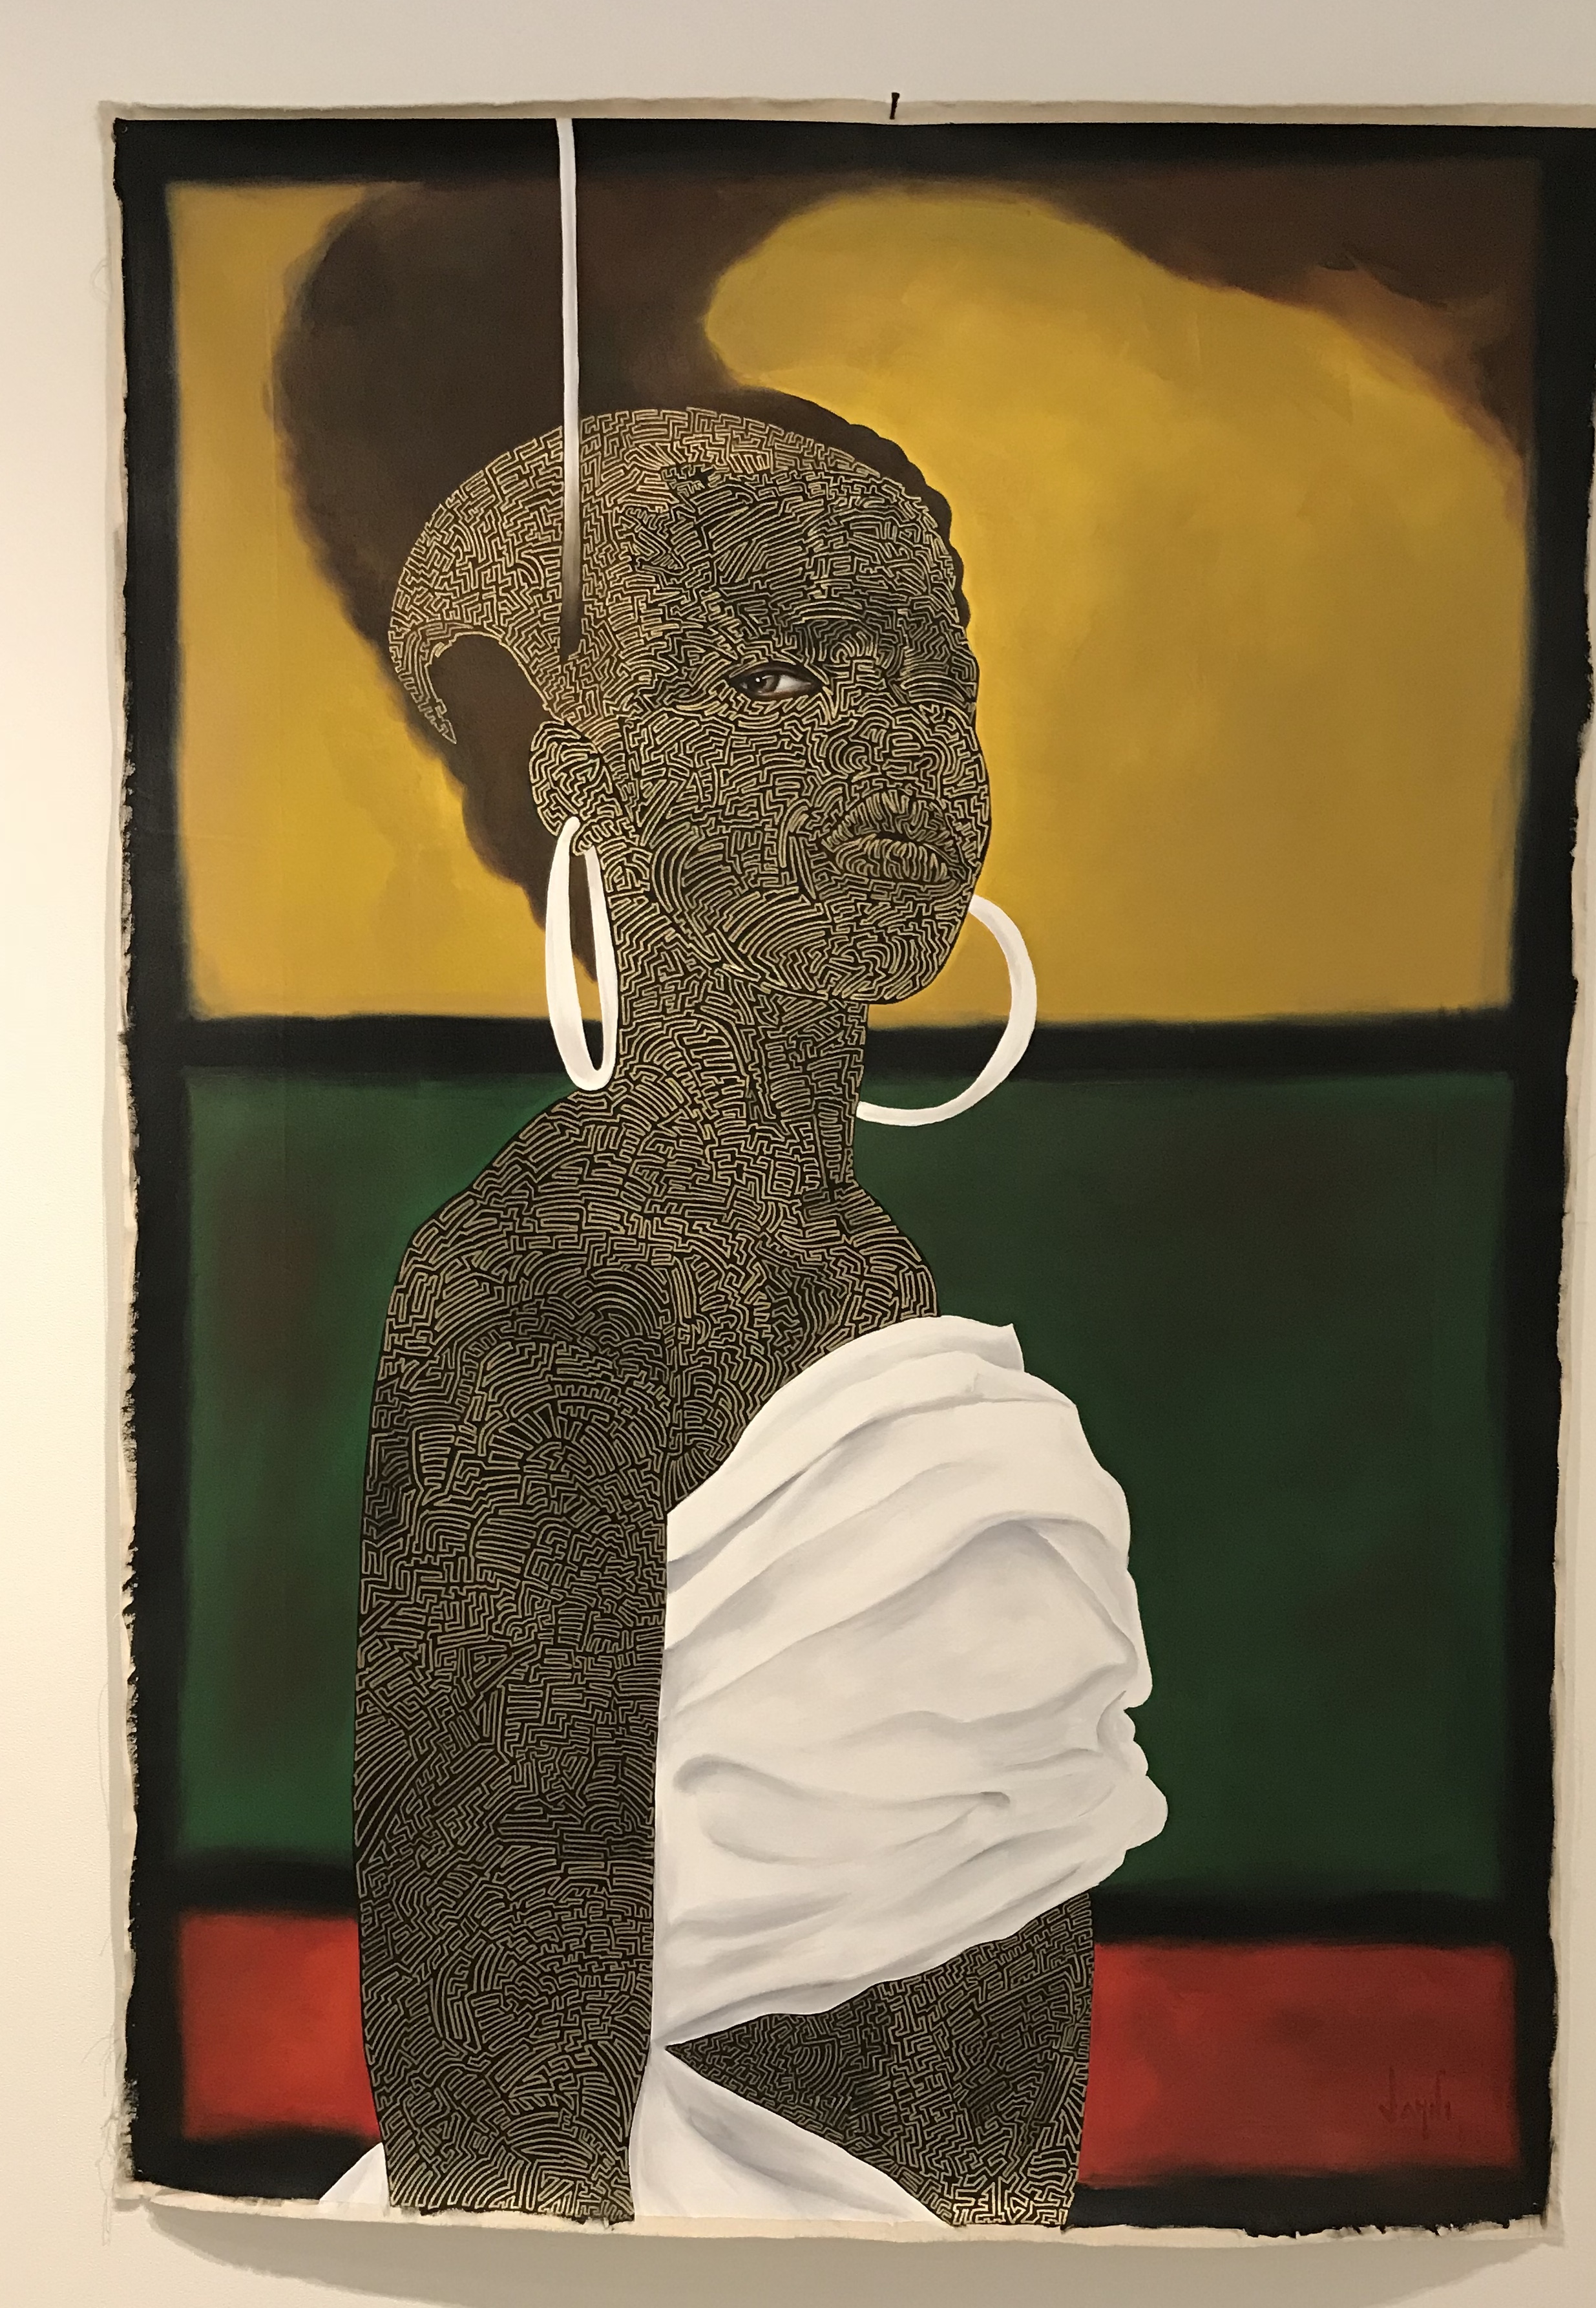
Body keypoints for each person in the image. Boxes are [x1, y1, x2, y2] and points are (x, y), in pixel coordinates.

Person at [326, 408, 1164, 2225]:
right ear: (585, 781)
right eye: (778, 680)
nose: (890, 747)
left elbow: (993, 1987)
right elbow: (501, 2083)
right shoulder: (534, 1293)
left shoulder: (875, 1282)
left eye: (933, 680)